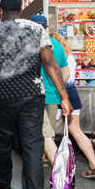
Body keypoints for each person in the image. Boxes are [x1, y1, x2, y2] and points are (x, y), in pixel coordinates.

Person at [0, 0, 71, 189]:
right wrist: (64, 96)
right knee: (32, 147)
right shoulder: (37, 30)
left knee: (3, 143)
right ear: (20, 9)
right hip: (32, 94)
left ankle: (2, 181)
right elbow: (49, 63)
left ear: (1, 11)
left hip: (4, 94)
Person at [53, 32, 95, 179]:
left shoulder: (54, 56)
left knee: (46, 130)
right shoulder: (71, 57)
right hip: (72, 92)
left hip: (59, 93)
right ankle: (94, 165)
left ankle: (48, 160)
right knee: (76, 130)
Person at [30, 15, 70, 166]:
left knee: (43, 131)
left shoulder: (29, 46)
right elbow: (66, 74)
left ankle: (58, 167)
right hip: (54, 96)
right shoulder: (57, 46)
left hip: (35, 95)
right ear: (46, 28)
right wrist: (56, 86)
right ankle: (45, 158)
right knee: (49, 132)